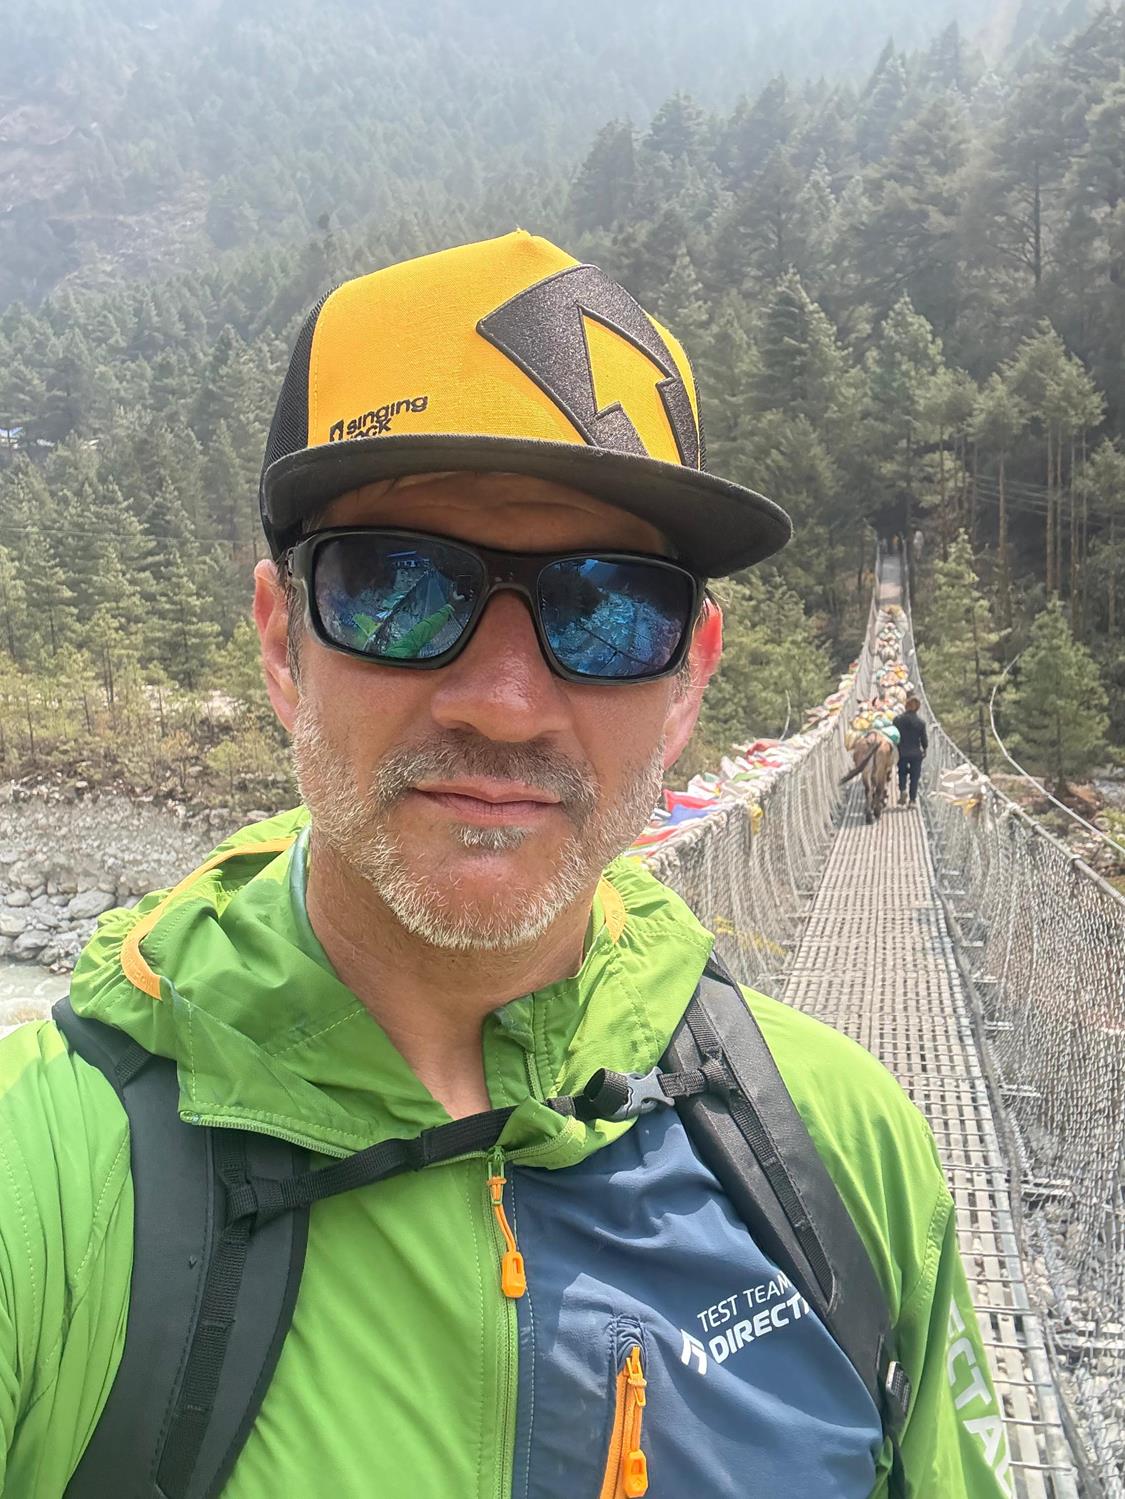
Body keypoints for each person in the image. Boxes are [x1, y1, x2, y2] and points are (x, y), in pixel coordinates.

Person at [0, 232, 1012, 1497]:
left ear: (688, 677)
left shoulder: (844, 1153)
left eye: (610, 608)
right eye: (398, 587)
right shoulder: (48, 1175)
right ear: (279, 643)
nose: (505, 701)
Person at [894, 695, 928, 807]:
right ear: (918, 708)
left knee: (902, 772)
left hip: (902, 752)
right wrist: (925, 749)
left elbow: (894, 735)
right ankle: (912, 800)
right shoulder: (921, 723)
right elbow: (924, 739)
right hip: (916, 753)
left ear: (906, 706)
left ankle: (903, 790)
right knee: (915, 777)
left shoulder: (897, 720)